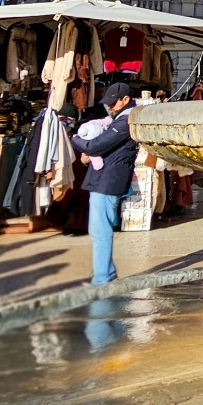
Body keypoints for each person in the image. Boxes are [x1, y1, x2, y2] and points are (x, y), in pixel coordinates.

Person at [74, 82, 138, 286]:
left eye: (113, 102)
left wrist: (75, 138)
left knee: (100, 231)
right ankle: (106, 272)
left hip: (108, 181)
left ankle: (102, 279)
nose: (110, 106)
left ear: (125, 100)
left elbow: (97, 145)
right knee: (100, 229)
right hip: (106, 179)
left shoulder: (125, 122)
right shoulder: (119, 119)